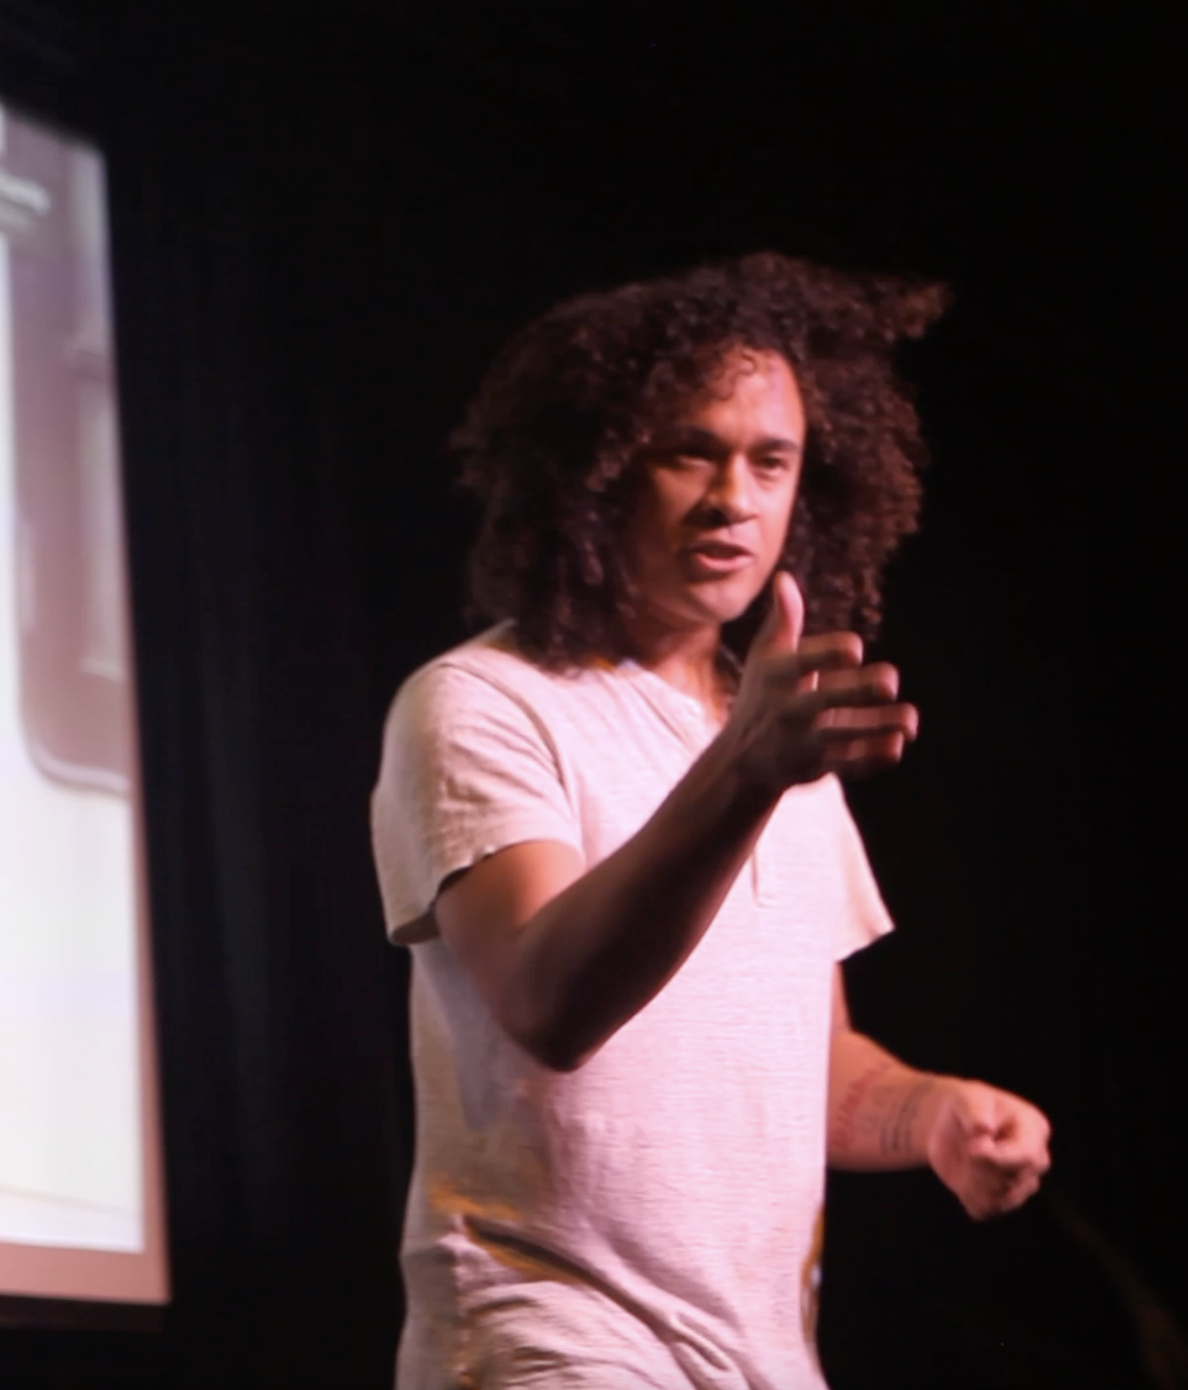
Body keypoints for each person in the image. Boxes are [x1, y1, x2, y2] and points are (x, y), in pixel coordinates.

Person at [372, 252, 1053, 1389]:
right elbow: (549, 1000)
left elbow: (813, 1067)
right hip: (553, 1334)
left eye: (770, 460)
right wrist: (744, 773)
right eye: (690, 449)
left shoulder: (776, 740)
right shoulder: (483, 702)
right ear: (594, 470)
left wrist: (932, 1112)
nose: (734, 497)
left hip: (761, 1357)